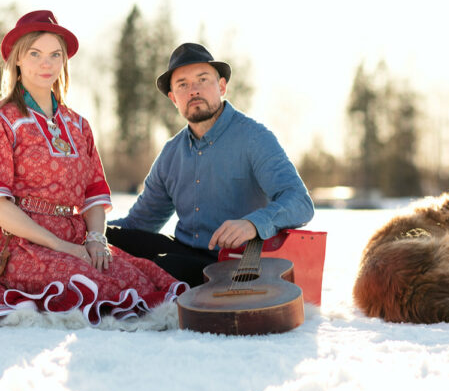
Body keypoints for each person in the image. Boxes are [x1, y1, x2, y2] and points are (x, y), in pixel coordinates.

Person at [0, 10, 186, 327]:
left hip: (76, 235)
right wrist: (62, 248)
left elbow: (93, 196)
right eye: (35, 54)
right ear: (17, 59)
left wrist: (94, 239)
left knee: (136, 278)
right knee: (82, 280)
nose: (46, 63)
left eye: (55, 55)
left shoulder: (79, 125)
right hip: (15, 240)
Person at [105, 42, 315, 286]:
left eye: (203, 79)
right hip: (184, 251)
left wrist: (253, 224)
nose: (193, 90)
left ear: (222, 86)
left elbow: (300, 202)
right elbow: (139, 223)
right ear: (174, 98)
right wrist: (85, 229)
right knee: (105, 239)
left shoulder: (254, 138)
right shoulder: (171, 153)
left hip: (237, 264)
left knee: (161, 267)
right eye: (183, 84)